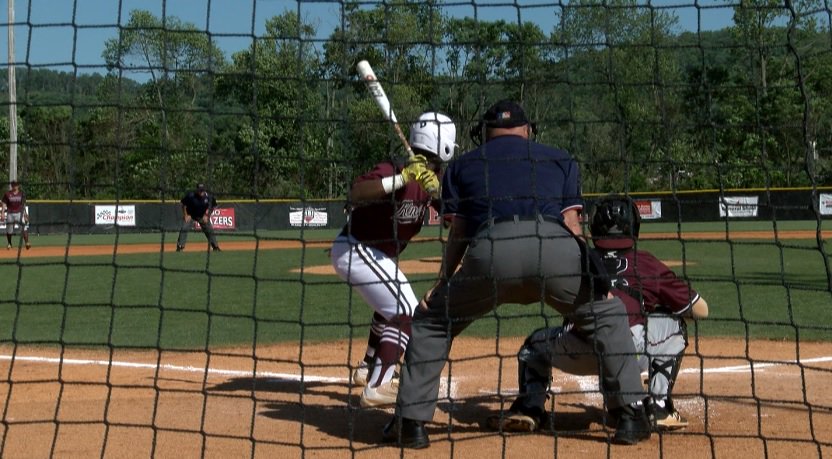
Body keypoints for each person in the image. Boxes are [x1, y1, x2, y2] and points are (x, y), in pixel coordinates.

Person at [382, 100, 651, 449]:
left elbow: (460, 232)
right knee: (608, 316)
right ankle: (629, 415)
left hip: (491, 254)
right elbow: (572, 226)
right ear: (527, 130)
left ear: (484, 133)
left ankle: (411, 424)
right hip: (554, 249)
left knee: (433, 321)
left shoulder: (463, 165)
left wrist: (444, 280)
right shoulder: (559, 158)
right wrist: (599, 283)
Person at [488, 194, 710, 435]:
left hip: (577, 349)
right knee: (675, 324)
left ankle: (528, 408)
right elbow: (700, 309)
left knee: (533, 346)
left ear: (593, 227)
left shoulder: (577, 258)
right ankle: (659, 407)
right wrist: (654, 309)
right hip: (630, 353)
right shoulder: (645, 262)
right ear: (634, 227)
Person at [330, 112, 457, 408]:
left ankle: (367, 367)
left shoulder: (431, 179)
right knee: (406, 310)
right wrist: (401, 178)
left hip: (371, 254)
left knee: (389, 306)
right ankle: (379, 385)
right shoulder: (395, 169)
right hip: (357, 248)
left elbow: (453, 216)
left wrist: (436, 191)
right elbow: (357, 192)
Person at [176, 183, 220, 252]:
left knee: (209, 229)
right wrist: (186, 215)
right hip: (191, 215)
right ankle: (180, 246)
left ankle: (215, 247)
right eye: (199, 190)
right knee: (184, 228)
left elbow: (213, 206)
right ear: (196, 190)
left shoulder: (209, 196)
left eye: (202, 190)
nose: (201, 192)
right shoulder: (191, 195)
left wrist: (207, 215)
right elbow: (183, 204)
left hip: (202, 216)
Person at [1, 180, 31, 250]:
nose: (14, 186)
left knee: (24, 227)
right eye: (13, 184)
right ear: (11, 185)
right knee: (9, 230)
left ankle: (27, 243)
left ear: (18, 186)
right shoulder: (7, 194)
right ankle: (9, 244)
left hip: (19, 213)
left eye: (16, 184)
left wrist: (25, 214)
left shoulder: (21, 194)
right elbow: (4, 203)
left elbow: (23, 204)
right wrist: (2, 213)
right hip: (10, 213)